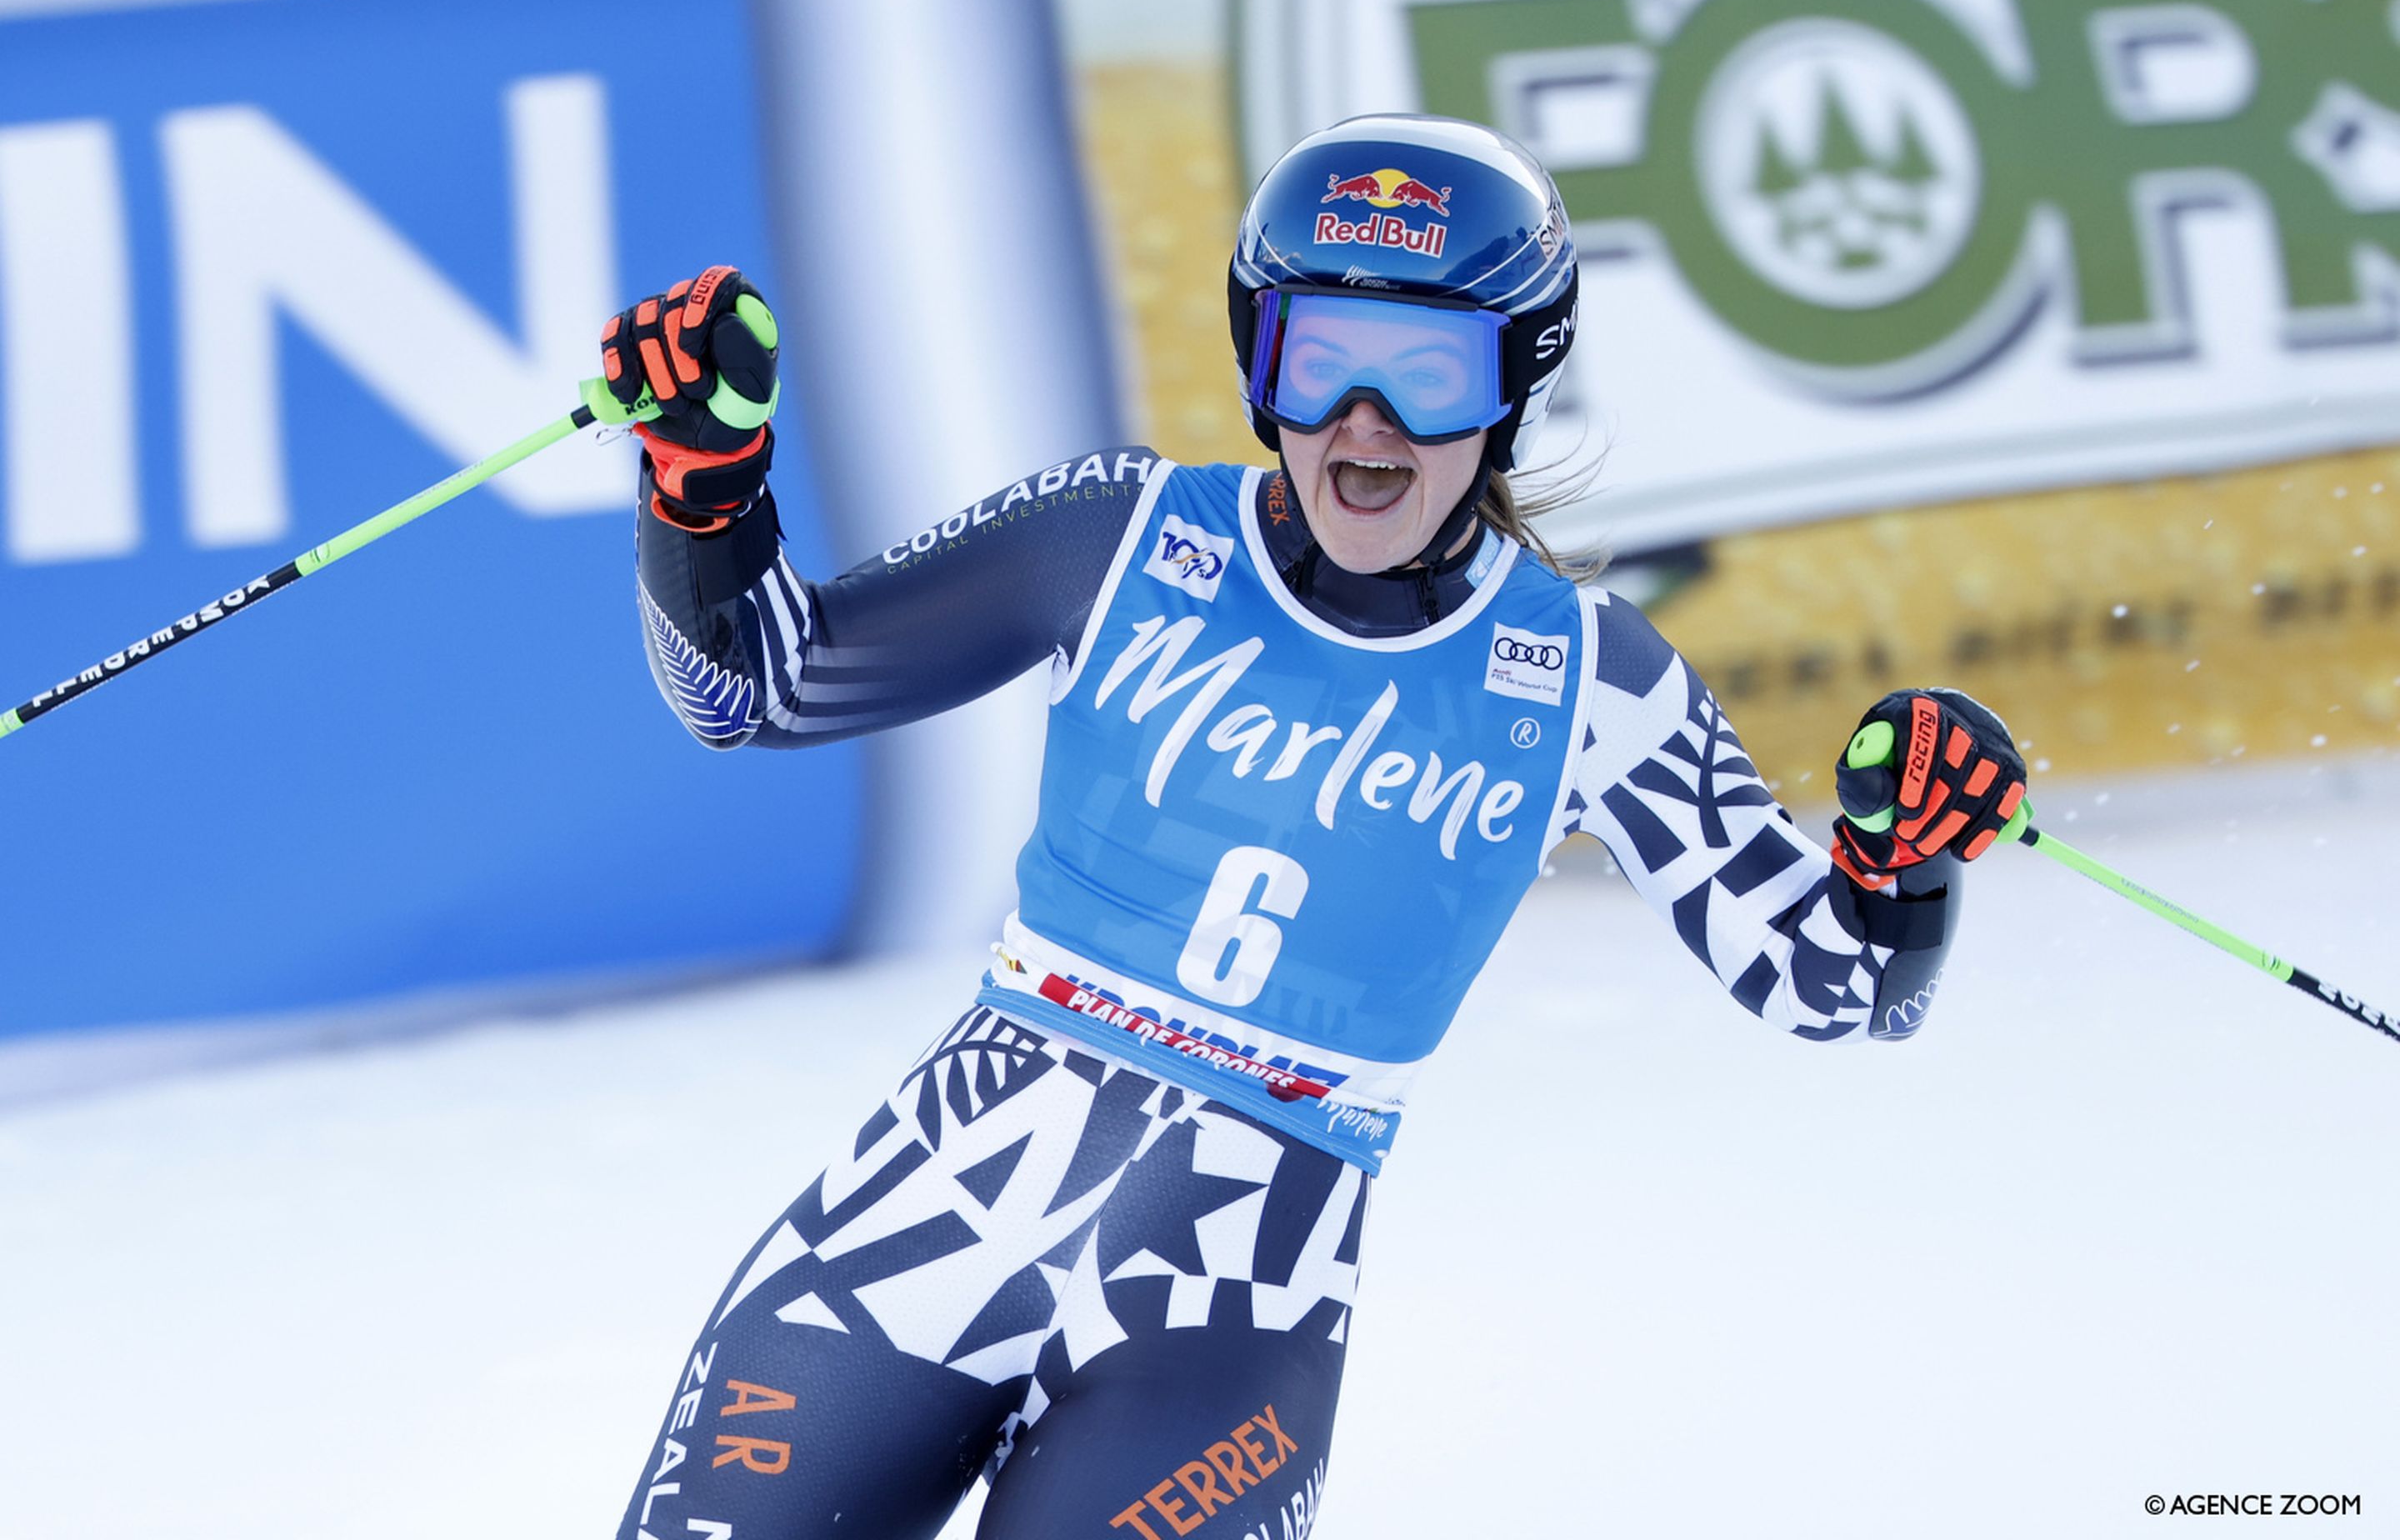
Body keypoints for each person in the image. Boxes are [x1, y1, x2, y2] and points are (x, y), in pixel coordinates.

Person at [603, 115, 2026, 1539]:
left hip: (1226, 1309)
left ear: (1515, 387)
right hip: (919, 1219)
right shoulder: (1113, 535)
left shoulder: (1594, 677)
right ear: (1255, 359)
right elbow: (754, 690)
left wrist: (1905, 856)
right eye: (1321, 358)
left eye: (1427, 373)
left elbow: (1840, 991)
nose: (1367, 425)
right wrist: (702, 480)